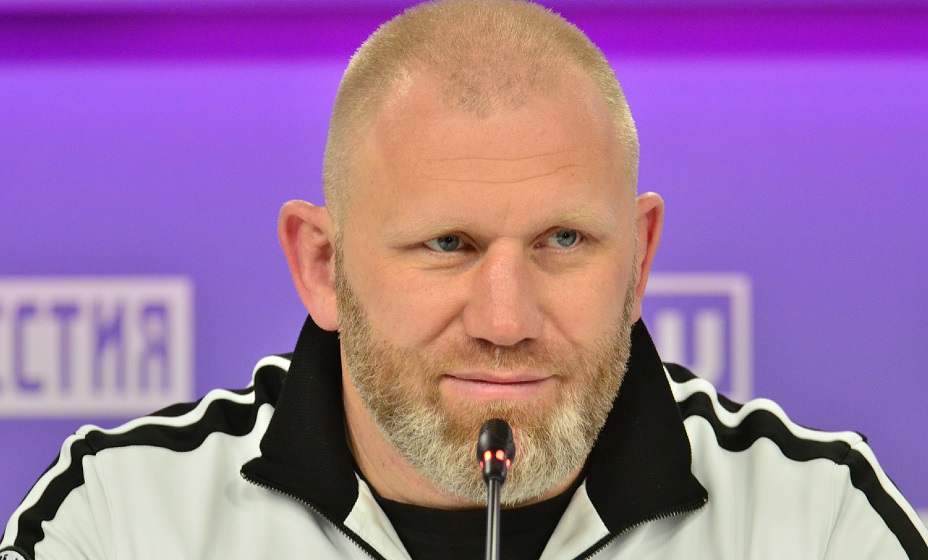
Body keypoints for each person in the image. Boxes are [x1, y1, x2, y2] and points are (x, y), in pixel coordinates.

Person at [2, 1, 926, 559]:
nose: (505, 318)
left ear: (640, 260)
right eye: (447, 244)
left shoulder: (816, 521)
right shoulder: (122, 519)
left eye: (563, 239)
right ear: (322, 266)